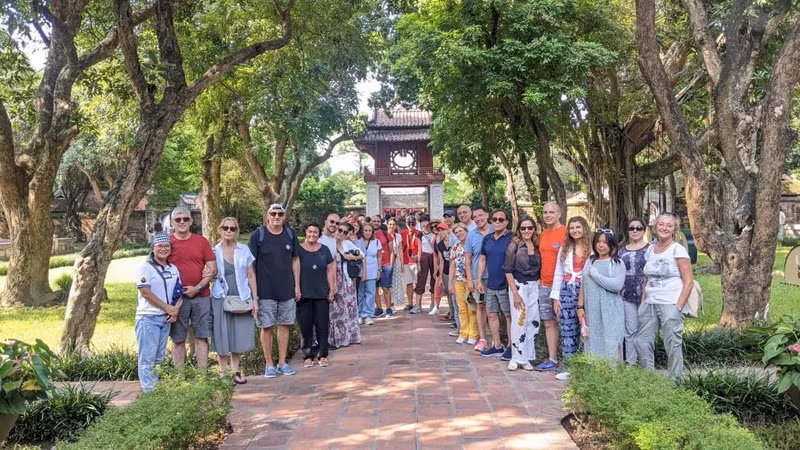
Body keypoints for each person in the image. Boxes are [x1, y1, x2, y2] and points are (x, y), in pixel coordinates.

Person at [635, 213, 693, 381]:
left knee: (672, 344)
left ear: (674, 229)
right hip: (650, 303)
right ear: (655, 227)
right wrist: (643, 301)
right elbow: (646, 279)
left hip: (670, 303)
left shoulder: (678, 250)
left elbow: (688, 282)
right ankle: (648, 378)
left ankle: (675, 381)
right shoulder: (650, 250)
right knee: (642, 341)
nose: (664, 228)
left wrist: (678, 307)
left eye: (669, 225)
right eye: (661, 224)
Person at [249, 203, 300, 378]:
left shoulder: (290, 234)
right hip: (265, 290)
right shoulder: (259, 235)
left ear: (284, 216)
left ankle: (282, 362)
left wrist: (297, 286)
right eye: (273, 213)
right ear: (268, 215)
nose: (277, 216)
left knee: (285, 325)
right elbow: (251, 266)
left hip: (286, 289)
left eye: (280, 214)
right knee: (267, 326)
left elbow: (295, 260)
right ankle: (269, 363)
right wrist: (254, 293)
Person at [210, 217, 258, 384]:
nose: (228, 231)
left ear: (237, 231)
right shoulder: (213, 251)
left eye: (232, 228)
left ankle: (236, 371)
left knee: (238, 333)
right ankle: (223, 373)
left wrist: (255, 300)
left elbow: (251, 275)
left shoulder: (244, 250)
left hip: (241, 295)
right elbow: (208, 273)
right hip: (221, 296)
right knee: (221, 334)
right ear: (220, 229)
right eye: (225, 228)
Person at [169, 207, 216, 369]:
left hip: (201, 296)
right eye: (178, 219)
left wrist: (197, 287)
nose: (182, 222)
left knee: (201, 337)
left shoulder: (201, 242)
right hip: (177, 299)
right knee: (178, 339)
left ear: (191, 221)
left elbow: (212, 269)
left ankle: (203, 376)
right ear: (172, 222)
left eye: (185, 219)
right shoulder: (167, 243)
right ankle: (179, 376)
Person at [135, 233, 183, 392]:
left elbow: (178, 292)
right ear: (153, 249)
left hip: (165, 319)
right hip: (148, 318)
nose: (163, 249)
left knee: (158, 358)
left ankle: (155, 389)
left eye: (166, 246)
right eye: (159, 246)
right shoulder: (145, 267)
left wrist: (174, 310)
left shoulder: (173, 269)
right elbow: (145, 293)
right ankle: (149, 391)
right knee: (147, 358)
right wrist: (167, 308)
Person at [550, 216, 591, 380]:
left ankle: (587, 365)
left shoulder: (592, 248)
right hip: (567, 290)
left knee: (587, 327)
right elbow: (558, 272)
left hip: (586, 290)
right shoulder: (565, 248)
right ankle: (569, 366)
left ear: (584, 228)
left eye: (578, 227)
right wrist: (556, 297)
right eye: (572, 228)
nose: (575, 230)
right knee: (568, 329)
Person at [578, 229, 626, 363]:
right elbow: (583, 284)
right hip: (592, 310)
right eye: (598, 241)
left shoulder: (617, 263)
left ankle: (614, 376)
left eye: (605, 242)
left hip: (611, 310)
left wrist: (595, 275)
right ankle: (597, 375)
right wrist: (580, 307)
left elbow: (616, 285)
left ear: (611, 244)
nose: (601, 245)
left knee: (612, 341)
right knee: (594, 341)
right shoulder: (590, 261)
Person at [503, 217, 541, 371]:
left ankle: (527, 358)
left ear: (534, 229)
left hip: (535, 286)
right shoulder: (514, 245)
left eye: (530, 228)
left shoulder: (537, 245)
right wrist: (515, 293)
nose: (527, 231)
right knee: (519, 320)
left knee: (533, 321)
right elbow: (508, 270)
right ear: (519, 229)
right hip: (519, 286)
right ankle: (516, 357)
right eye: (523, 228)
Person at [297, 223, 335, 367]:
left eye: (315, 232)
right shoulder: (298, 250)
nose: (312, 234)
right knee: (305, 326)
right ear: (305, 232)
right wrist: (296, 289)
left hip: (321, 293)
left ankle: (322, 355)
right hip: (304, 293)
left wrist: (332, 290)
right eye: (310, 231)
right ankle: (308, 355)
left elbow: (330, 270)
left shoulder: (324, 250)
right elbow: (294, 270)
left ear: (319, 234)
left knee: (322, 325)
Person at [477, 209, 513, 360]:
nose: (497, 222)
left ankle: (511, 346)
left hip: (506, 284)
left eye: (501, 219)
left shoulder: (511, 238)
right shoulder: (488, 239)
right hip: (491, 283)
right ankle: (497, 345)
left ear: (506, 222)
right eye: (495, 219)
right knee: (491, 314)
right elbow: (482, 260)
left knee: (508, 316)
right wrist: (478, 279)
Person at [534, 202, 566, 372]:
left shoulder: (566, 233)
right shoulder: (544, 234)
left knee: (566, 323)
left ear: (558, 214)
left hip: (561, 286)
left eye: (551, 212)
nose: (547, 215)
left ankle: (568, 359)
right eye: (545, 212)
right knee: (548, 322)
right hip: (545, 284)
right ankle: (552, 359)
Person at [619, 218, 649, 364]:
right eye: (632, 228)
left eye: (639, 228)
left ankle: (645, 363)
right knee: (630, 330)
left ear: (644, 230)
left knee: (645, 331)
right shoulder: (621, 251)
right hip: (626, 295)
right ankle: (630, 363)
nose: (635, 231)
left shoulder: (651, 249)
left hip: (647, 294)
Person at [330, 223, 362, 348]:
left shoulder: (347, 244)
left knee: (349, 310)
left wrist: (350, 256)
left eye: (345, 232)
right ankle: (336, 339)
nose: (341, 233)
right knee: (336, 312)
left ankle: (350, 337)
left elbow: (361, 255)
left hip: (348, 281)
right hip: (334, 281)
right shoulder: (329, 244)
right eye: (340, 230)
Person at [465, 208, 492, 351]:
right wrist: (470, 280)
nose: (478, 218)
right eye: (475, 216)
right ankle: (482, 338)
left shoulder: (496, 229)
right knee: (480, 306)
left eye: (480, 215)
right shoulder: (471, 235)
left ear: (487, 216)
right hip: (478, 277)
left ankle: (497, 338)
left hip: (496, 276)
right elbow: (468, 259)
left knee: (496, 309)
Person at [450, 224, 478, 344]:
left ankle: (473, 334)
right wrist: (450, 282)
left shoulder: (472, 244)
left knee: (472, 307)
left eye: (461, 231)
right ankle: (463, 332)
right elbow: (452, 265)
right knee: (461, 308)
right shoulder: (455, 247)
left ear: (466, 231)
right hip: (458, 280)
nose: (459, 234)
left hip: (470, 280)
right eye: (456, 232)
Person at [357, 223, 381, 325]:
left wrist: (379, 270)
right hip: (360, 270)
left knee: (370, 293)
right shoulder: (358, 241)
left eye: (369, 231)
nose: (367, 232)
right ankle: (359, 314)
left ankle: (367, 315)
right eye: (365, 230)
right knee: (360, 293)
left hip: (372, 269)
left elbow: (379, 257)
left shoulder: (376, 242)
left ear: (372, 232)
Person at [412, 214, 436, 314]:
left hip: (434, 257)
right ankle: (417, 305)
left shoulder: (435, 233)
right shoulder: (420, 234)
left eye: (426, 221)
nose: (424, 224)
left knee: (434, 280)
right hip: (423, 257)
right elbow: (419, 248)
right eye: (422, 222)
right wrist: (418, 262)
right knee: (421, 280)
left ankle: (433, 304)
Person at [374, 217, 395, 318]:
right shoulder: (367, 234)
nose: (376, 223)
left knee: (386, 288)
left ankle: (388, 308)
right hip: (373, 265)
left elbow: (391, 251)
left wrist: (391, 264)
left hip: (385, 264)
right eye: (374, 221)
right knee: (375, 288)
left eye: (378, 221)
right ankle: (378, 308)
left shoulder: (386, 234)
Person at [431, 222, 451, 317]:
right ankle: (452, 314)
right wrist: (440, 274)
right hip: (446, 271)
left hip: (455, 271)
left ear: (447, 230)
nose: (441, 232)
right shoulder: (439, 245)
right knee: (448, 292)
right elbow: (441, 260)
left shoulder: (454, 242)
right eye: (439, 231)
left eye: (442, 230)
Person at [401, 216, 420, 310]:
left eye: (413, 224)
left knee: (418, 283)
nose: (411, 226)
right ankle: (410, 303)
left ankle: (418, 303)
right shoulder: (402, 233)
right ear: (406, 224)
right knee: (408, 283)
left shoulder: (419, 233)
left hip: (416, 261)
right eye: (409, 224)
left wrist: (419, 258)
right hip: (406, 261)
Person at [388, 218, 405, 317]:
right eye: (390, 224)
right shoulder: (385, 235)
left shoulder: (398, 236)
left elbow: (400, 250)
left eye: (393, 224)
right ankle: (387, 304)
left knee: (395, 283)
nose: (392, 226)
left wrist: (402, 263)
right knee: (387, 283)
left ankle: (393, 303)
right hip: (387, 261)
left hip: (397, 260)